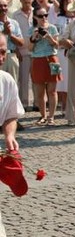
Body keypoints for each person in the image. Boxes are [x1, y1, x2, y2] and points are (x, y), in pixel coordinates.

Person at [0, 33, 25, 236]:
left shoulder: (6, 80)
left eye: (3, 51)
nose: (1, 57)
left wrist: (9, 135)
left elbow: (11, 115)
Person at [27, 7, 61, 125]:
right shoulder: (32, 29)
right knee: (40, 92)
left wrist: (49, 37)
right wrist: (34, 38)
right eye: (41, 16)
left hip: (52, 58)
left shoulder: (52, 28)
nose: (44, 18)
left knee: (52, 91)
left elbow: (57, 46)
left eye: (45, 15)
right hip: (38, 60)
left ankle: (51, 116)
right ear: (35, 17)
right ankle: (43, 116)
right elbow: (30, 49)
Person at [12, 0, 33, 111]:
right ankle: (24, 103)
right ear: (20, 0)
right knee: (24, 79)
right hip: (22, 50)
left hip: (36, 50)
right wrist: (16, 49)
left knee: (36, 79)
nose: (26, 0)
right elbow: (13, 34)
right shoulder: (15, 15)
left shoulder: (37, 13)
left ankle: (37, 102)